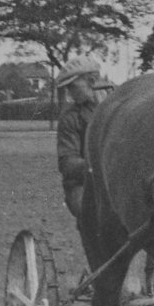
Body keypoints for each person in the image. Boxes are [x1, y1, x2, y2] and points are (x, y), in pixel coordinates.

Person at [55, 56, 109, 221]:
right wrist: (99, 167)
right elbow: (67, 163)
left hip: (117, 181)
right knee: (93, 216)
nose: (70, 93)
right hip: (82, 185)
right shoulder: (70, 118)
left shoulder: (118, 108)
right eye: (67, 88)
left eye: (73, 86)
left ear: (92, 81)